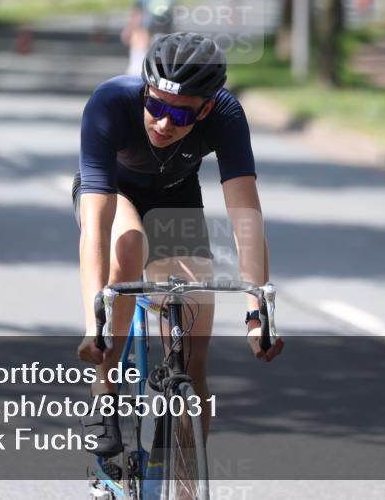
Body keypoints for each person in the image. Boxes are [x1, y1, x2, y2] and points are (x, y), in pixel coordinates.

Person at [73, 32, 284, 457]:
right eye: (156, 106)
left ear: (205, 108)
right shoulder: (110, 103)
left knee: (194, 338)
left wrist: (256, 315)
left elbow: (246, 214)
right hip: (116, 194)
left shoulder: (226, 114)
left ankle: (187, 479)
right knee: (129, 243)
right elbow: (97, 224)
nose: (164, 123)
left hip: (175, 199)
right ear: (145, 89)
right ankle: (105, 384)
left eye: (181, 115)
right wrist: (94, 322)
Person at [122, 0, 175, 76]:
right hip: (160, 25)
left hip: (150, 25)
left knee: (141, 40)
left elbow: (137, 11)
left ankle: (138, 68)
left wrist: (130, 28)